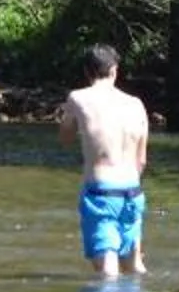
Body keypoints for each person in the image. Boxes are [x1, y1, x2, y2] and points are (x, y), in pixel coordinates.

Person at [56, 43, 151, 277]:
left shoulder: (78, 98)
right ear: (115, 70)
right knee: (135, 266)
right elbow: (142, 161)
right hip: (132, 191)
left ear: (87, 72)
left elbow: (65, 138)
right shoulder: (136, 104)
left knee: (108, 270)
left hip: (101, 193)